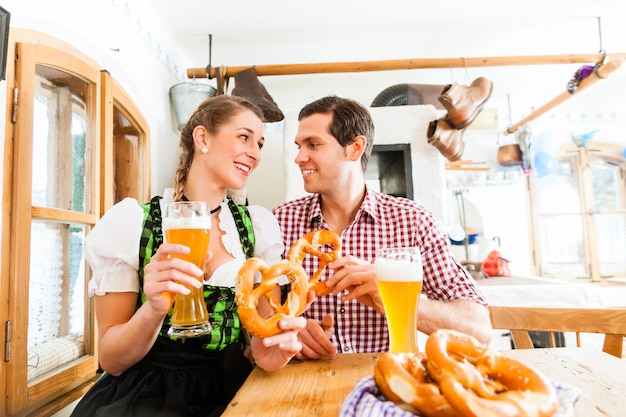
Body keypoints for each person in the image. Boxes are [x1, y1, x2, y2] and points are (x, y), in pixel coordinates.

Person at [71, 95, 309, 417]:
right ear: (202, 138)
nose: (254, 153)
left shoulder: (256, 227)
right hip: (145, 394)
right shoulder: (133, 223)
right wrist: (154, 309)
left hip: (231, 388)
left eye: (260, 144)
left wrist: (264, 354)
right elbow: (110, 360)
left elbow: (262, 334)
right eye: (244, 137)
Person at [272, 95, 492, 360]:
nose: (299, 157)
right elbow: (261, 319)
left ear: (355, 148)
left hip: (388, 381)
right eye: (299, 146)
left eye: (313, 145)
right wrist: (286, 329)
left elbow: (479, 330)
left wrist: (396, 297)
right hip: (302, 386)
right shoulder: (277, 223)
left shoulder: (414, 222)